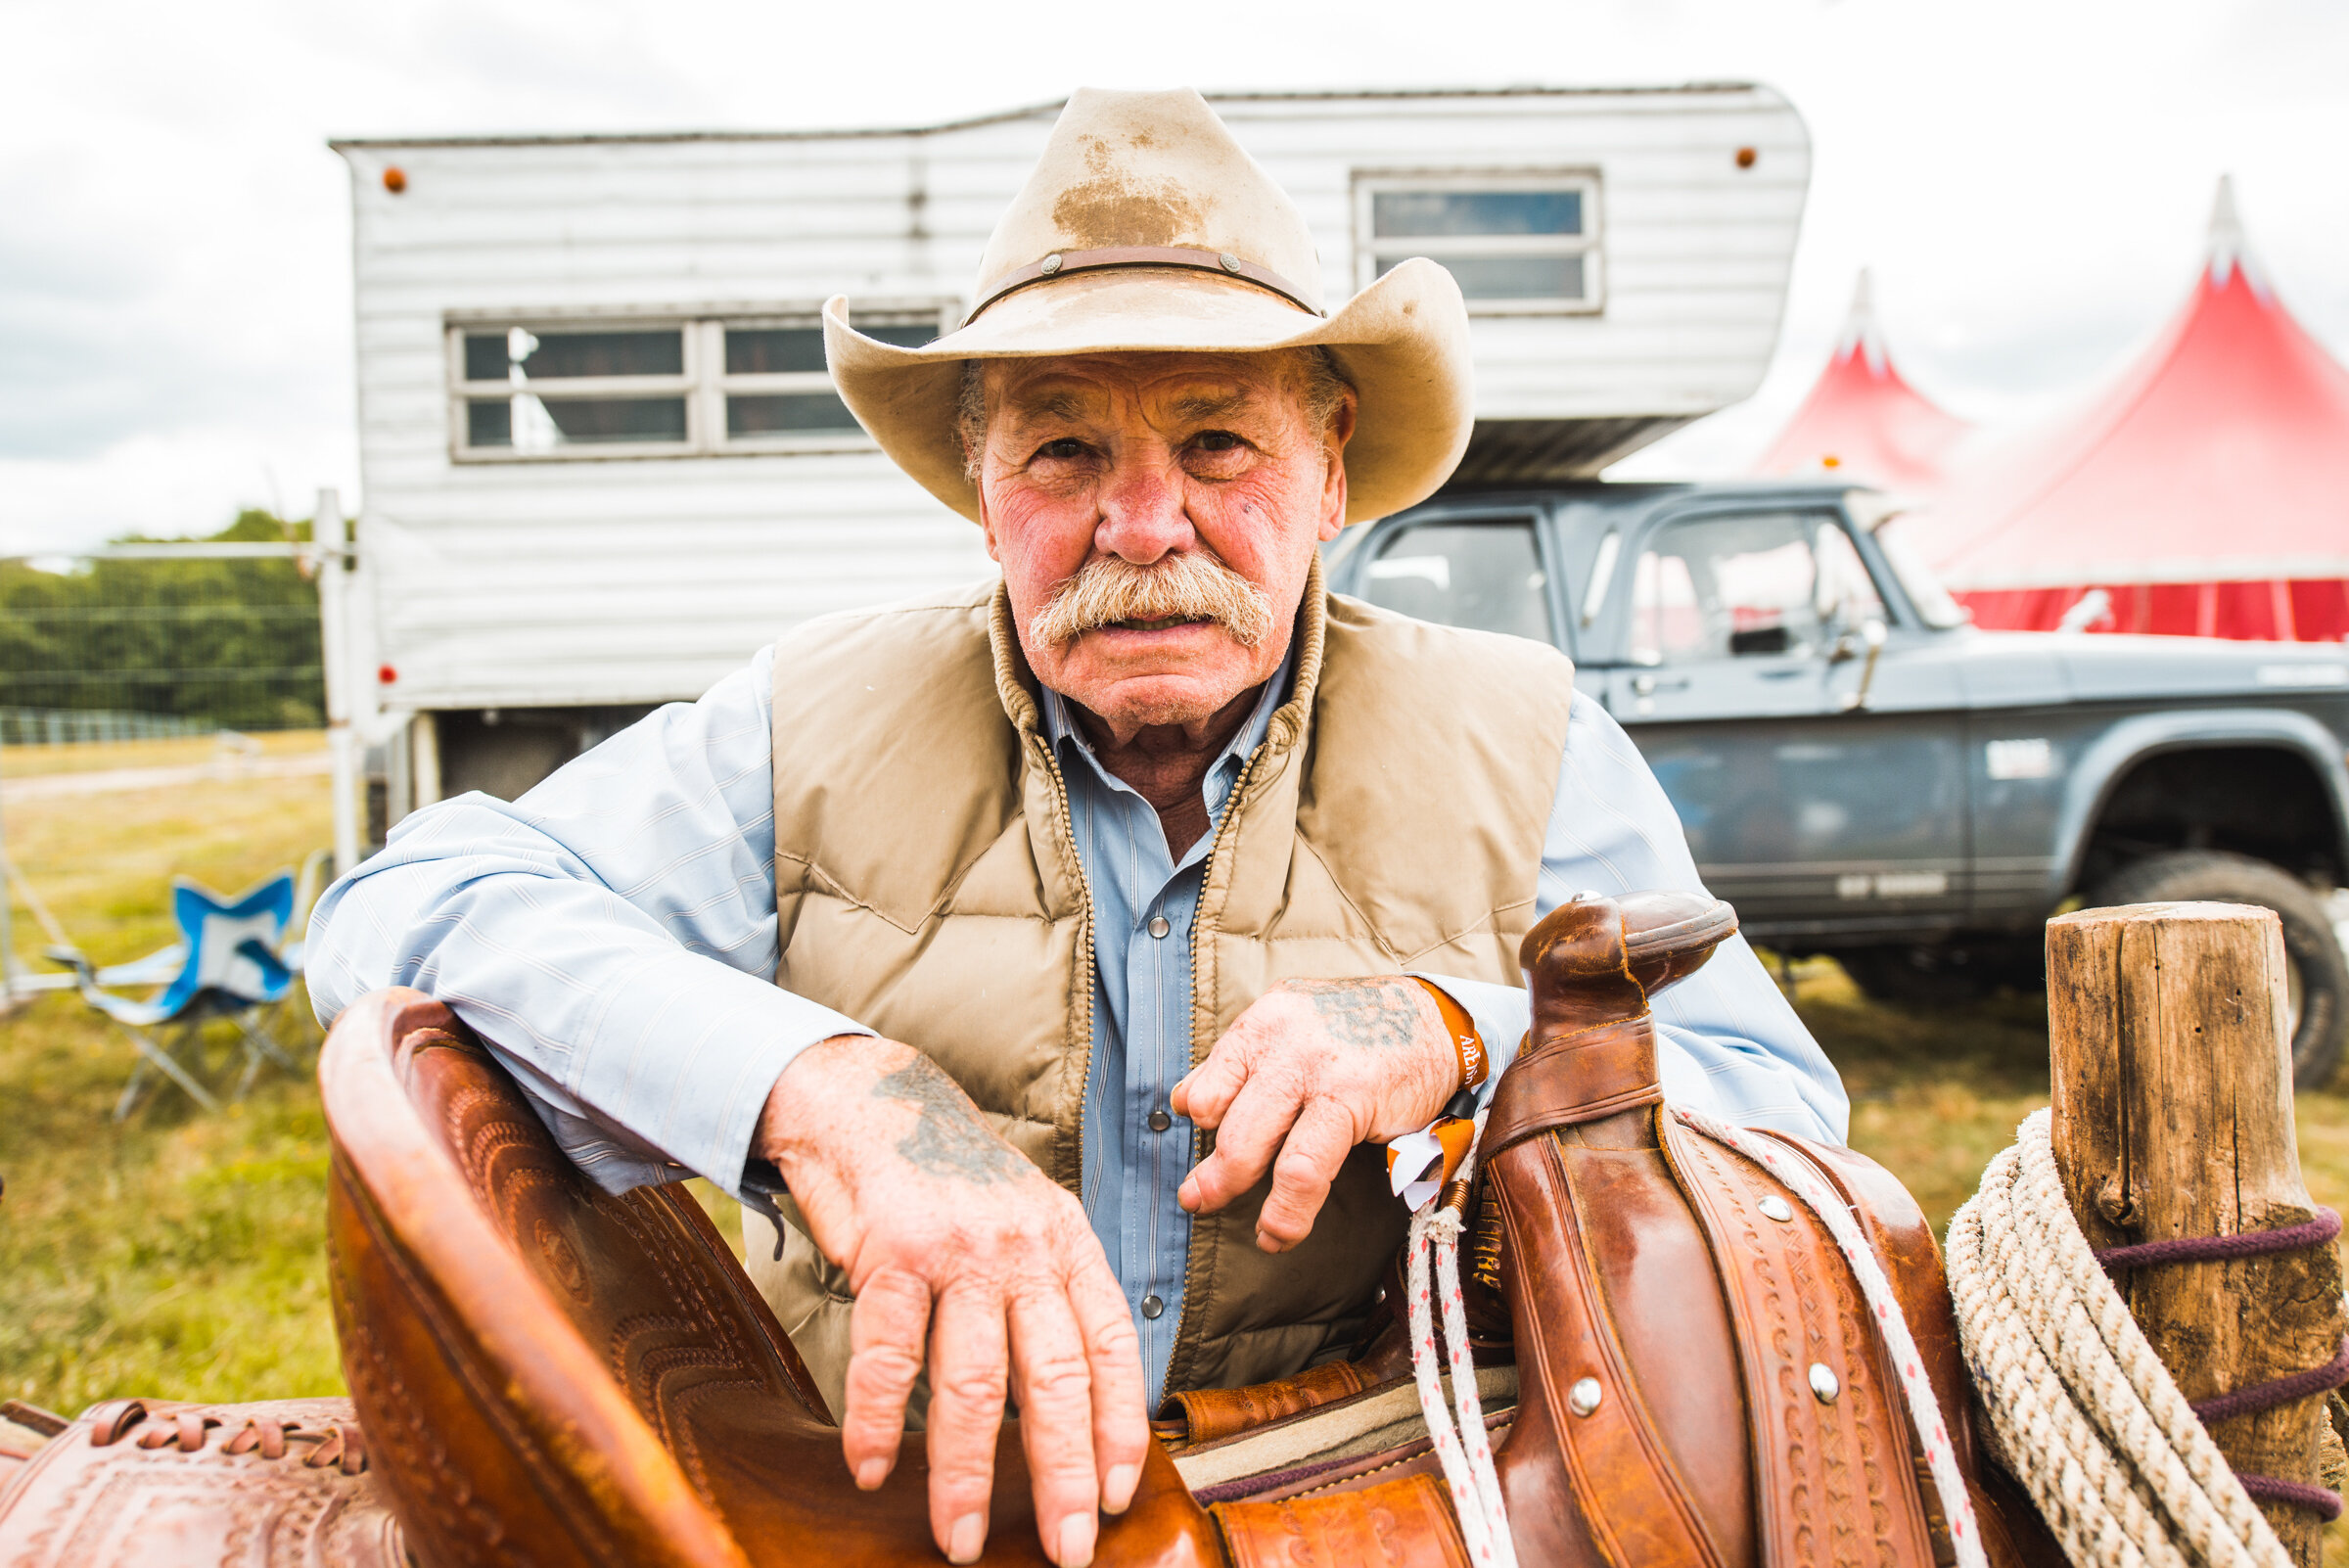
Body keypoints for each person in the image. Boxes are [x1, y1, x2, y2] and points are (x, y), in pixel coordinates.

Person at [308, 86, 1846, 1568]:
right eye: (1062, 449)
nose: (1143, 522)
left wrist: (1462, 1030)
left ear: (1330, 477)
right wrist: (827, 1094)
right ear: (982, 496)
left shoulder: (1525, 736)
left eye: (1218, 444)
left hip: (1361, 1506)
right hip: (880, 1510)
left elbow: (1786, 1119)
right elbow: (399, 902)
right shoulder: (810, 722)